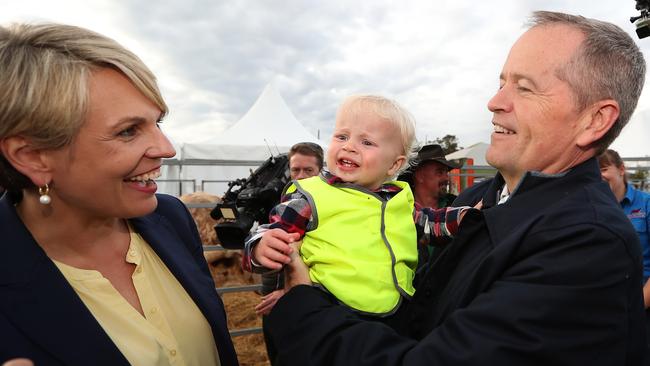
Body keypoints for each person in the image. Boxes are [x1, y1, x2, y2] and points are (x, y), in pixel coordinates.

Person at [265, 11, 647, 365]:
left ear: (595, 120)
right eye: (501, 83)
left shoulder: (587, 245)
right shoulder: (476, 202)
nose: (494, 102)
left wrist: (301, 304)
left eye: (525, 88)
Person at [0, 23, 238, 365]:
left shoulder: (171, 218)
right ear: (33, 157)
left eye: (158, 123)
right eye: (128, 131)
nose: (166, 149)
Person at [244, 94, 471, 322]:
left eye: (367, 142)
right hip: (329, 309)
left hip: (396, 313)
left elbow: (432, 223)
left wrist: (469, 216)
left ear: (394, 164)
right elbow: (273, 233)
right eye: (342, 136)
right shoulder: (310, 196)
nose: (349, 146)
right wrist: (259, 247)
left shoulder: (399, 199)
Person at [257, 141, 324, 365]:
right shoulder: (283, 196)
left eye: (308, 170)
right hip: (271, 287)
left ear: (320, 171)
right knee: (276, 348)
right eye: (296, 170)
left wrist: (288, 292)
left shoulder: (325, 205)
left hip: (304, 294)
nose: (301, 176)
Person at [598, 149, 650, 349]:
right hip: (605, 307)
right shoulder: (592, 207)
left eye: (604, 169)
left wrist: (635, 308)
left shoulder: (646, 205)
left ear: (621, 169)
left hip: (640, 304)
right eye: (595, 171)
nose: (599, 176)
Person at [399, 144, 460, 209]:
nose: (446, 178)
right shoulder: (398, 208)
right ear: (419, 176)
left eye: (446, 172)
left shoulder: (457, 206)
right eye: (440, 172)